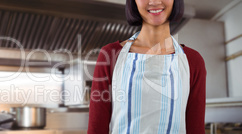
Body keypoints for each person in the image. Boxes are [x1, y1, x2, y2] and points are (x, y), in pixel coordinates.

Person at [87, 0, 206, 133]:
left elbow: (195, 128)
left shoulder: (193, 60)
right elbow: (97, 128)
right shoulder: (110, 55)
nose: (154, 1)